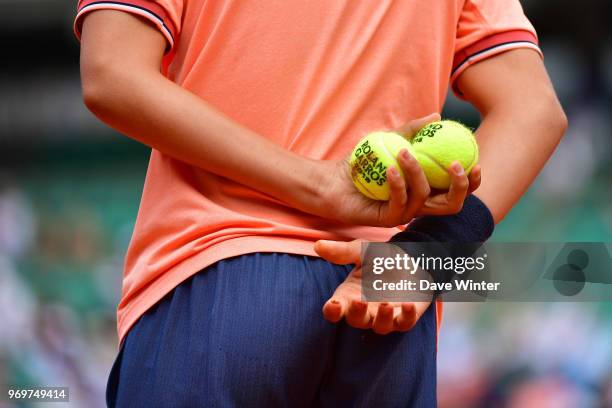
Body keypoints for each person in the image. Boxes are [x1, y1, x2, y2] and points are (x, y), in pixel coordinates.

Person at [75, 0, 566, 406]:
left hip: (217, 268)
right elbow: (535, 110)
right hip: (383, 294)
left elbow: (112, 73)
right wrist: (424, 256)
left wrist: (317, 184)